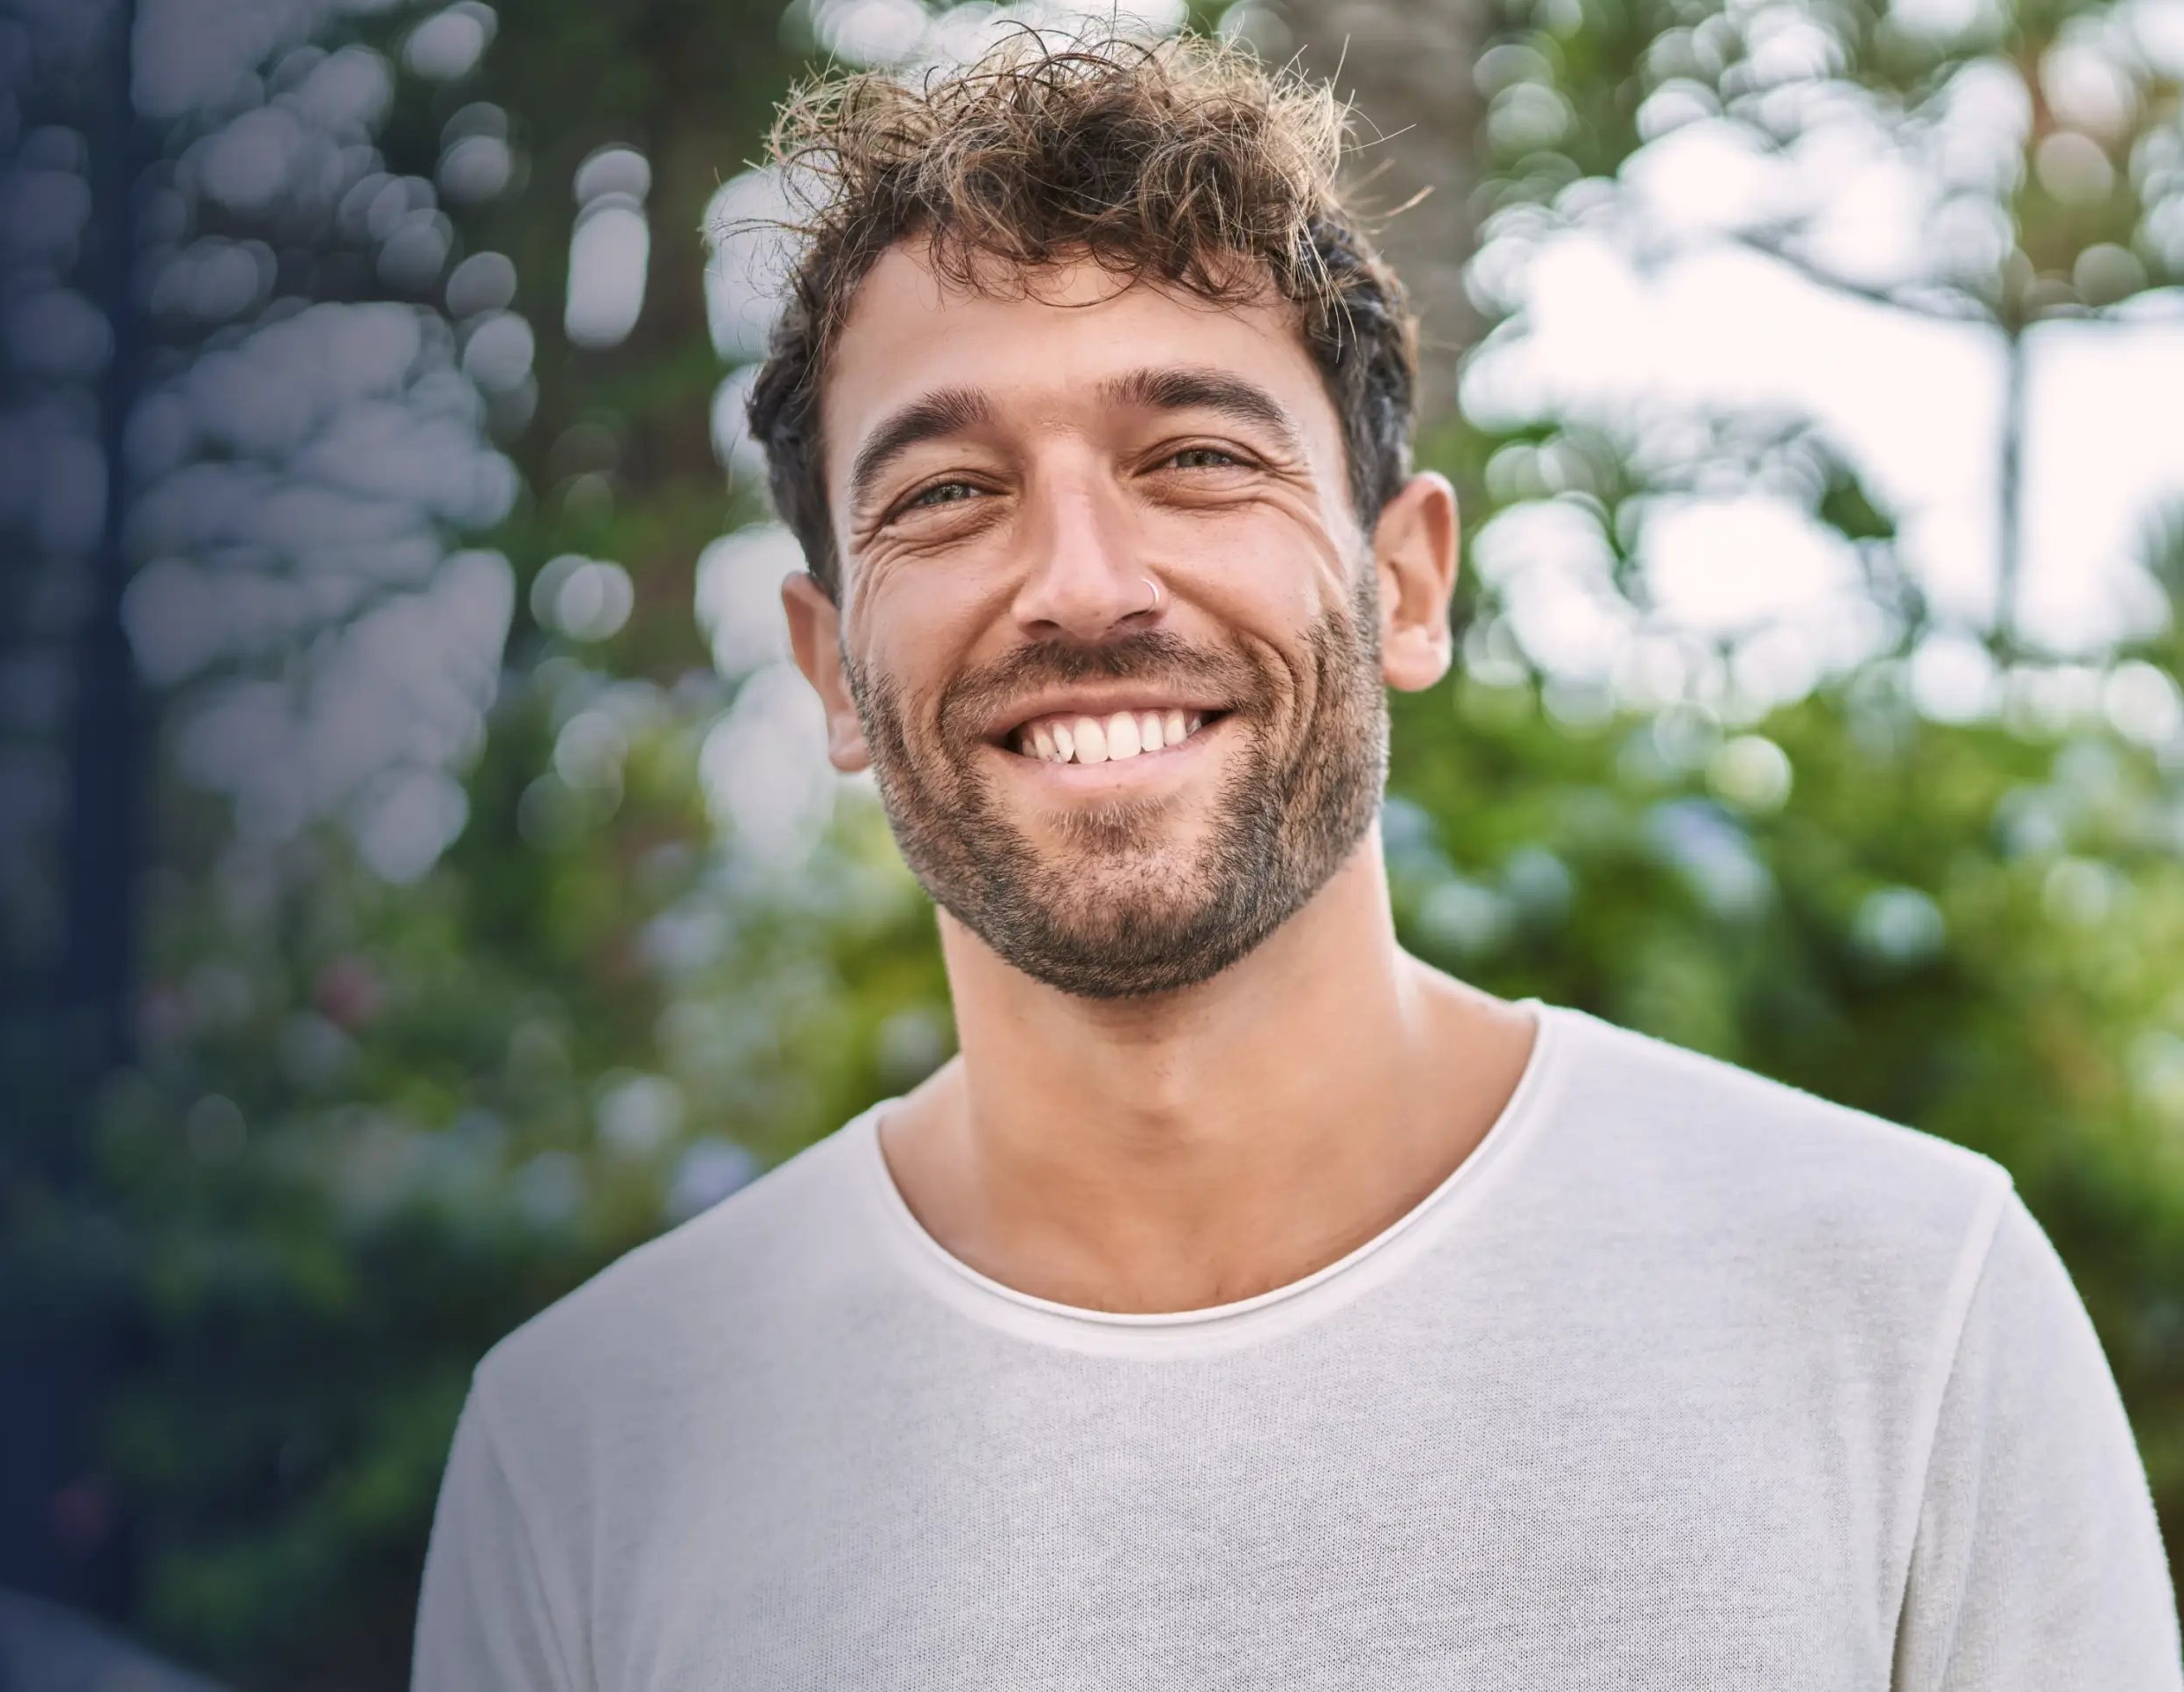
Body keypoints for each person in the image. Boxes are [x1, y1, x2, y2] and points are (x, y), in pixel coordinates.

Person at [411, 34, 2177, 1690]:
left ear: (1402, 583)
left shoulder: (1905, 1304)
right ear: (830, 670)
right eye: (947, 494)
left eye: (1194, 457)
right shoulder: (587, 1449)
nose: (1084, 584)